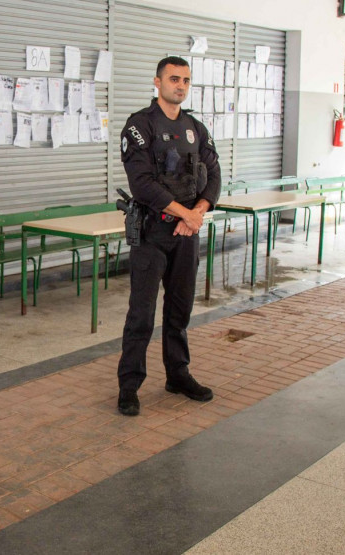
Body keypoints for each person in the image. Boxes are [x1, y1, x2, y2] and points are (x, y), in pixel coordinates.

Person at [116, 56, 222, 417]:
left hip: (186, 232)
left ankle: (178, 375)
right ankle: (129, 386)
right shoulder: (139, 126)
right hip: (152, 232)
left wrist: (198, 213)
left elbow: (215, 174)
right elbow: (142, 184)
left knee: (180, 310)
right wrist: (187, 214)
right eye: (174, 79)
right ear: (157, 82)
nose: (180, 85)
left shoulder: (195, 127)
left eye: (186, 80)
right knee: (141, 315)